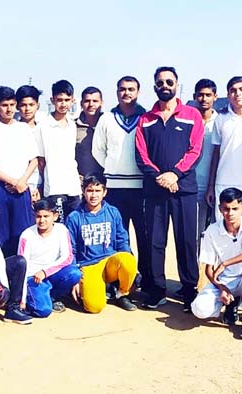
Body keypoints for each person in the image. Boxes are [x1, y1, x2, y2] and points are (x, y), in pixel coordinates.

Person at [135, 66, 204, 311]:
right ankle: (156, 290)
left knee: (186, 241)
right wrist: (160, 177)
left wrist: (174, 174)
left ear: (177, 84)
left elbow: (195, 150)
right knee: (155, 241)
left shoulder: (192, 115)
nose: (165, 85)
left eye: (169, 81)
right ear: (155, 86)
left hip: (184, 189)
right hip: (155, 191)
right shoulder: (145, 119)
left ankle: (188, 290)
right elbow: (141, 155)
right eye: (160, 82)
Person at [92, 76, 149, 289]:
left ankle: (146, 279)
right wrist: (113, 167)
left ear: (138, 92)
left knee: (145, 236)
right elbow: (98, 150)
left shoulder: (146, 116)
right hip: (114, 186)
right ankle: (121, 281)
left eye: (131, 89)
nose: (127, 93)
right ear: (117, 92)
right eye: (123, 89)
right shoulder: (107, 118)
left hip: (141, 186)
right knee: (118, 235)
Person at [190, 188, 242, 340]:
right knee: (199, 309)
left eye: (235, 209)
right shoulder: (212, 230)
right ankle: (230, 304)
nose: (230, 213)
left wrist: (226, 263)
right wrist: (222, 288)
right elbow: (209, 269)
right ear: (220, 209)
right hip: (226, 281)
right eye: (226, 209)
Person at [65, 173, 138, 313]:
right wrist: (74, 277)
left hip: (110, 262)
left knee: (128, 260)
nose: (93, 195)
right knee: (94, 307)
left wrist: (130, 271)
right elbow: (71, 250)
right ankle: (98, 288)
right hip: (88, 266)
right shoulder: (74, 218)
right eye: (90, 190)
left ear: (104, 192)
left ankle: (122, 294)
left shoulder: (113, 212)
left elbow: (122, 240)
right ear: (83, 192)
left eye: (97, 191)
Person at [0, 86, 37, 256]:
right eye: (5, 105)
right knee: (0, 234)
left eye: (12, 104)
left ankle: (23, 273)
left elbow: (34, 160)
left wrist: (22, 182)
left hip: (22, 187)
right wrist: (12, 181)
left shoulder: (23, 129)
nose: (9, 109)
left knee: (23, 232)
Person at [206, 76, 242, 221]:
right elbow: (216, 154)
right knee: (224, 230)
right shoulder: (220, 118)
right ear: (228, 95)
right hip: (223, 182)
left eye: (241, 89)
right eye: (233, 91)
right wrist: (211, 185)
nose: (237, 93)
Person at [18, 198, 82, 317]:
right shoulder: (27, 235)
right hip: (33, 278)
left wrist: (45, 272)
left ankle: (52, 297)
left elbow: (67, 257)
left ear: (55, 216)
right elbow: (22, 266)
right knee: (43, 311)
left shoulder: (62, 230)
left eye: (46, 216)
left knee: (74, 273)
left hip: (51, 274)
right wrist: (23, 300)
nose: (42, 220)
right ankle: (38, 298)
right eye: (38, 216)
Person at [35, 80, 82, 222]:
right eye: (59, 100)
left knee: (75, 227)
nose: (63, 104)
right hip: (55, 187)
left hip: (73, 187)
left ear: (73, 100)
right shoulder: (43, 126)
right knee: (59, 228)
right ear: (52, 100)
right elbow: (41, 160)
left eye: (67, 100)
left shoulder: (72, 125)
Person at [191, 78, 218, 231]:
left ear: (215, 96)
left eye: (208, 95)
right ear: (195, 96)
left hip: (216, 182)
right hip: (193, 184)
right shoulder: (187, 120)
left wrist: (212, 185)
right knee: (195, 230)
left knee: (216, 229)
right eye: (200, 95)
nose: (204, 99)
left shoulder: (220, 121)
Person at [15, 85, 44, 200]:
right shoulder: (13, 130)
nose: (27, 109)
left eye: (31, 105)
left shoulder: (43, 129)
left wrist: (41, 188)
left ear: (38, 106)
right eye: (23, 105)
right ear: (17, 106)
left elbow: (43, 161)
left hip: (39, 184)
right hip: (18, 183)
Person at [75, 86, 104, 178]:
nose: (91, 104)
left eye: (95, 101)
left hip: (107, 184)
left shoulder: (109, 124)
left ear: (101, 103)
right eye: (87, 101)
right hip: (81, 184)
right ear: (81, 104)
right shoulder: (72, 127)